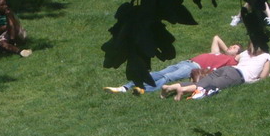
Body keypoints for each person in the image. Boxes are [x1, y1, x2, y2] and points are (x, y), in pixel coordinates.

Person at [103, 36, 242, 94]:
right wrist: (227, 51)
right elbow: (216, 38)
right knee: (157, 73)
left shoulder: (232, 61)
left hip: (193, 67)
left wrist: (233, 55)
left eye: (234, 47)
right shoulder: (217, 54)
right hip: (186, 62)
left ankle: (144, 89)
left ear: (237, 54)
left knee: (169, 77)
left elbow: (246, 56)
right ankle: (125, 87)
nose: (231, 46)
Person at [158, 39, 270, 101]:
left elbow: (232, 58)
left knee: (202, 82)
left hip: (227, 69)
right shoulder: (266, 56)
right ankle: (182, 91)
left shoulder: (245, 53)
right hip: (237, 76)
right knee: (208, 86)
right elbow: (263, 77)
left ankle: (170, 87)